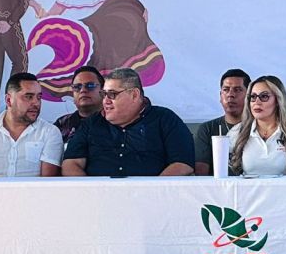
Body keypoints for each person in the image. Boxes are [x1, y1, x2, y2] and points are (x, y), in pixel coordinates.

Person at [62, 68, 194, 176]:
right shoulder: (91, 124)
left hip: (152, 197)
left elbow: (182, 164)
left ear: (134, 95)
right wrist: (91, 193)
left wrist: (153, 192)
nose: (105, 101)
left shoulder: (165, 119)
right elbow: (70, 164)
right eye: (104, 94)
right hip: (98, 197)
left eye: (112, 94)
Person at [0, 72, 63, 177]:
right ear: (9, 100)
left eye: (39, 97)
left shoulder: (49, 132)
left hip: (33, 189)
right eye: (28, 97)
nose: (36, 103)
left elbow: (48, 183)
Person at [194, 68, 250, 175]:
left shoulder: (259, 127)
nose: (230, 95)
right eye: (226, 90)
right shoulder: (207, 129)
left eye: (237, 90)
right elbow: (201, 173)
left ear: (249, 96)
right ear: (220, 96)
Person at [53, 66, 104, 142]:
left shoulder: (116, 122)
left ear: (103, 91)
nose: (83, 90)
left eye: (90, 85)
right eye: (77, 87)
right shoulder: (62, 124)